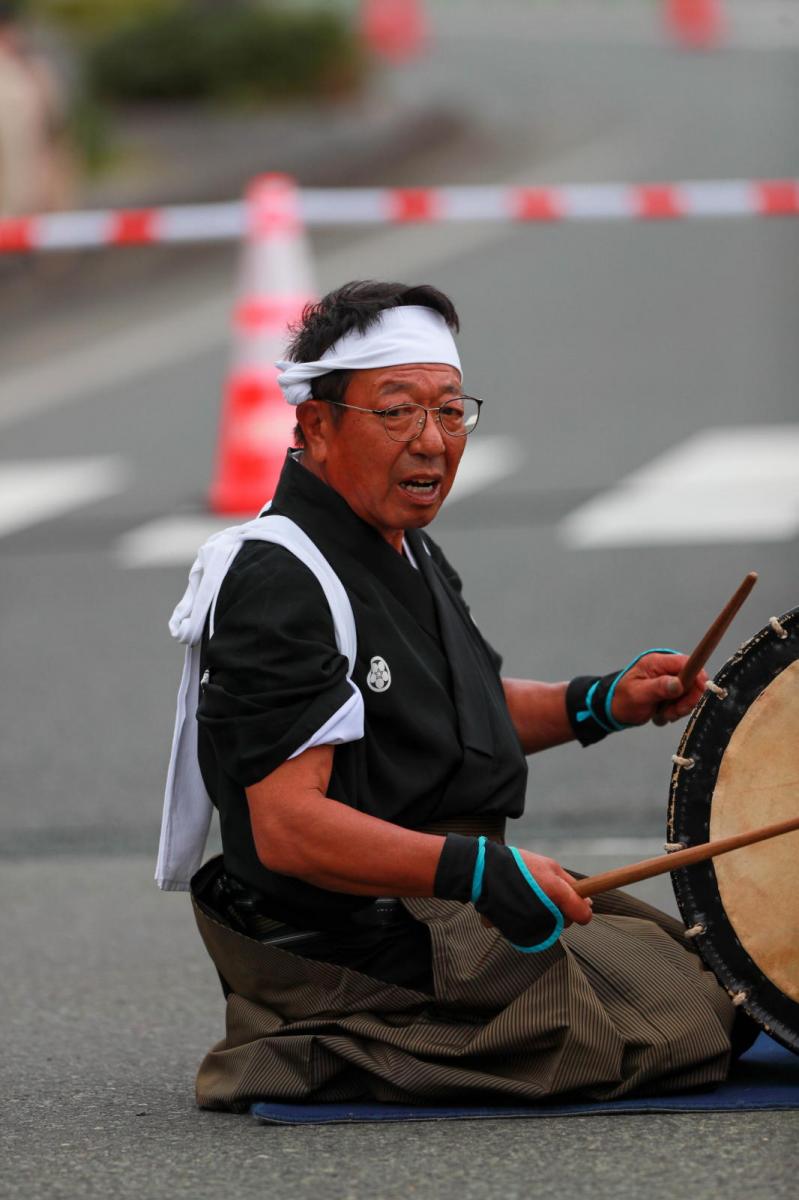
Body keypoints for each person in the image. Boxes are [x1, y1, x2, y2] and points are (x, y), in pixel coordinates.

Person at [160, 280, 748, 1112]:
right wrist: (473, 868)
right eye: (397, 412)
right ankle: (318, 1040)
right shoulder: (278, 580)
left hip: (437, 892)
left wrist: (600, 701)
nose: (431, 442)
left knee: (713, 969)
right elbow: (287, 829)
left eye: (449, 411)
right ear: (315, 427)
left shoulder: (398, 545)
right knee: (678, 1021)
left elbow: (455, 714)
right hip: (352, 929)